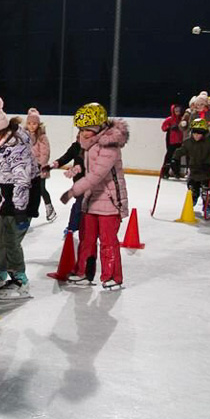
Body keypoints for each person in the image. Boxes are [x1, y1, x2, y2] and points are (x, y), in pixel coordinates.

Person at [58, 103, 129, 290]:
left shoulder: (110, 146)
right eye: (81, 129)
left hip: (110, 201)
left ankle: (113, 276)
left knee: (108, 241)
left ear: (99, 126)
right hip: (91, 200)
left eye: (87, 129)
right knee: (86, 238)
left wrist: (73, 191)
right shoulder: (89, 146)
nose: (83, 133)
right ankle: (83, 273)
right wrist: (76, 169)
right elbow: (88, 168)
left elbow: (97, 174)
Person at [0, 95, 40, 299]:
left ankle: (20, 280)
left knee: (12, 240)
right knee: (1, 236)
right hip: (7, 194)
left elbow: (21, 180)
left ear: (3, 129)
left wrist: (20, 210)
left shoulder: (15, 147)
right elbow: (2, 170)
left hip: (24, 195)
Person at [174, 118, 210, 215]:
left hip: (206, 169)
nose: (196, 136)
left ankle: (207, 206)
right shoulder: (188, 142)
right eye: (195, 133)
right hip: (194, 168)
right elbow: (182, 150)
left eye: (199, 133)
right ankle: (192, 200)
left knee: (206, 190)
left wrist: (208, 164)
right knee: (192, 187)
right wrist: (174, 159)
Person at [44, 133, 85, 236]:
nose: (80, 139)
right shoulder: (75, 147)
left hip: (93, 181)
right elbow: (66, 157)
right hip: (79, 181)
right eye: (78, 137)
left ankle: (91, 229)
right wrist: (53, 165)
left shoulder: (93, 148)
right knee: (79, 204)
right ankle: (72, 227)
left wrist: (79, 168)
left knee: (88, 206)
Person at [25, 108, 56, 221]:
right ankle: (28, 211)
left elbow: (45, 152)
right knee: (28, 189)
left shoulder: (42, 137)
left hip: (40, 168)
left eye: (34, 123)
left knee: (41, 189)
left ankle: (49, 208)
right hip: (28, 168)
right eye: (29, 123)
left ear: (38, 124)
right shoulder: (24, 136)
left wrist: (41, 164)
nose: (32, 126)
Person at [160, 103, 184, 178]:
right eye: (176, 111)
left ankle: (176, 172)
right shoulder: (169, 119)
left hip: (179, 141)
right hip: (171, 141)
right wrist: (169, 127)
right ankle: (165, 172)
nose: (177, 112)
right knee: (169, 156)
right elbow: (163, 127)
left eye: (178, 111)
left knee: (177, 157)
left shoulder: (181, 119)